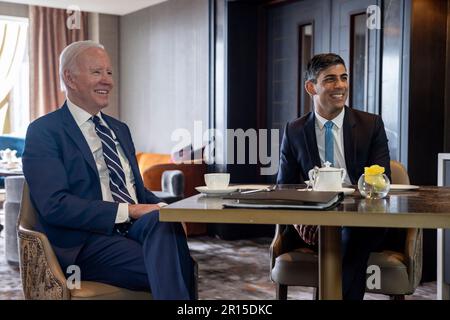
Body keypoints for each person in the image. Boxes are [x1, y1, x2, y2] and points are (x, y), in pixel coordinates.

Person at [22, 40, 195, 300]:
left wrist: (164, 208)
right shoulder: (45, 131)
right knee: (178, 267)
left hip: (135, 230)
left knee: (164, 227)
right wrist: (130, 210)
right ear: (69, 78)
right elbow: (55, 205)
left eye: (109, 72)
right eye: (96, 72)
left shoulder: (119, 129)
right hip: (85, 242)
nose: (107, 81)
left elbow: (136, 190)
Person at [277, 53, 390, 300]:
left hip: (363, 221)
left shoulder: (371, 125)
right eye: (330, 79)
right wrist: (299, 219)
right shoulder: (294, 130)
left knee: (351, 235)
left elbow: (382, 180)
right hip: (314, 222)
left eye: (343, 77)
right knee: (343, 240)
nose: (340, 85)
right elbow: (283, 186)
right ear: (311, 87)